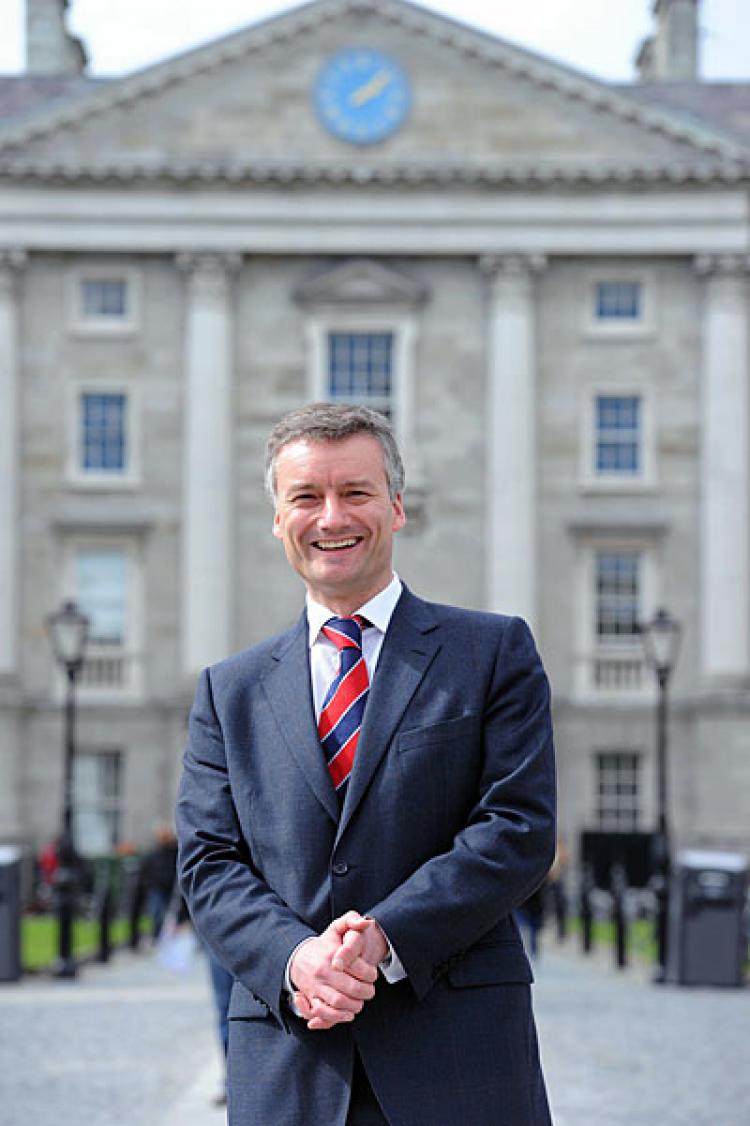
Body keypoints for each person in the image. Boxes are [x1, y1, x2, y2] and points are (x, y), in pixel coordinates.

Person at [176, 402, 556, 1125]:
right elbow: (208, 863)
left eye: (355, 493)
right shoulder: (229, 690)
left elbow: (517, 830)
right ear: (277, 518)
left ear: (397, 507)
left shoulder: (492, 653)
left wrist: (383, 939)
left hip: (460, 1058)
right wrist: (296, 959)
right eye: (305, 497)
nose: (331, 517)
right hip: (293, 1063)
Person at [138, 823, 178, 939]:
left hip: (170, 888)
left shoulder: (174, 852)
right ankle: (156, 936)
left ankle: (165, 938)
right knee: (156, 914)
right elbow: (145, 871)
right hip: (156, 889)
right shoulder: (153, 854)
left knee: (169, 914)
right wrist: (148, 885)